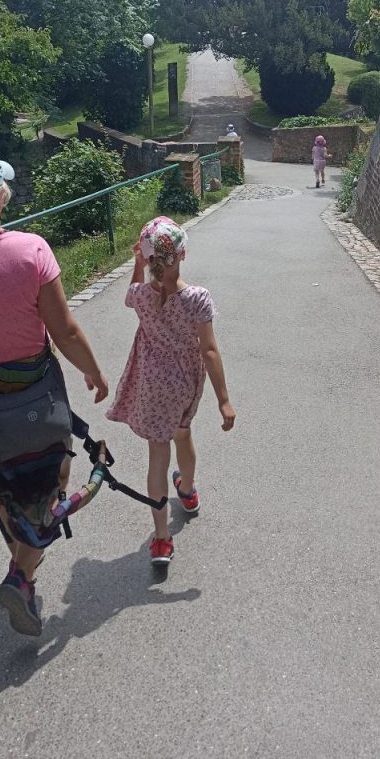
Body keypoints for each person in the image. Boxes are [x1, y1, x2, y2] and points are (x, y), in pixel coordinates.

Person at [0, 149, 109, 636]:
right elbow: (65, 331)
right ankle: (22, 576)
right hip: (32, 405)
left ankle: (22, 570)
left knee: (2, 490)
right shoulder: (30, 251)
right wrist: (94, 373)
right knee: (47, 485)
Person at [106, 216, 235, 566]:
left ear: (149, 259)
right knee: (182, 434)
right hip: (184, 386)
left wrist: (137, 265)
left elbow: (130, 294)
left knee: (157, 456)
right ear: (182, 254)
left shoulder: (141, 296)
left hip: (151, 385)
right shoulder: (197, 298)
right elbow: (209, 350)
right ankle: (187, 491)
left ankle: (162, 539)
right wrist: (223, 400)